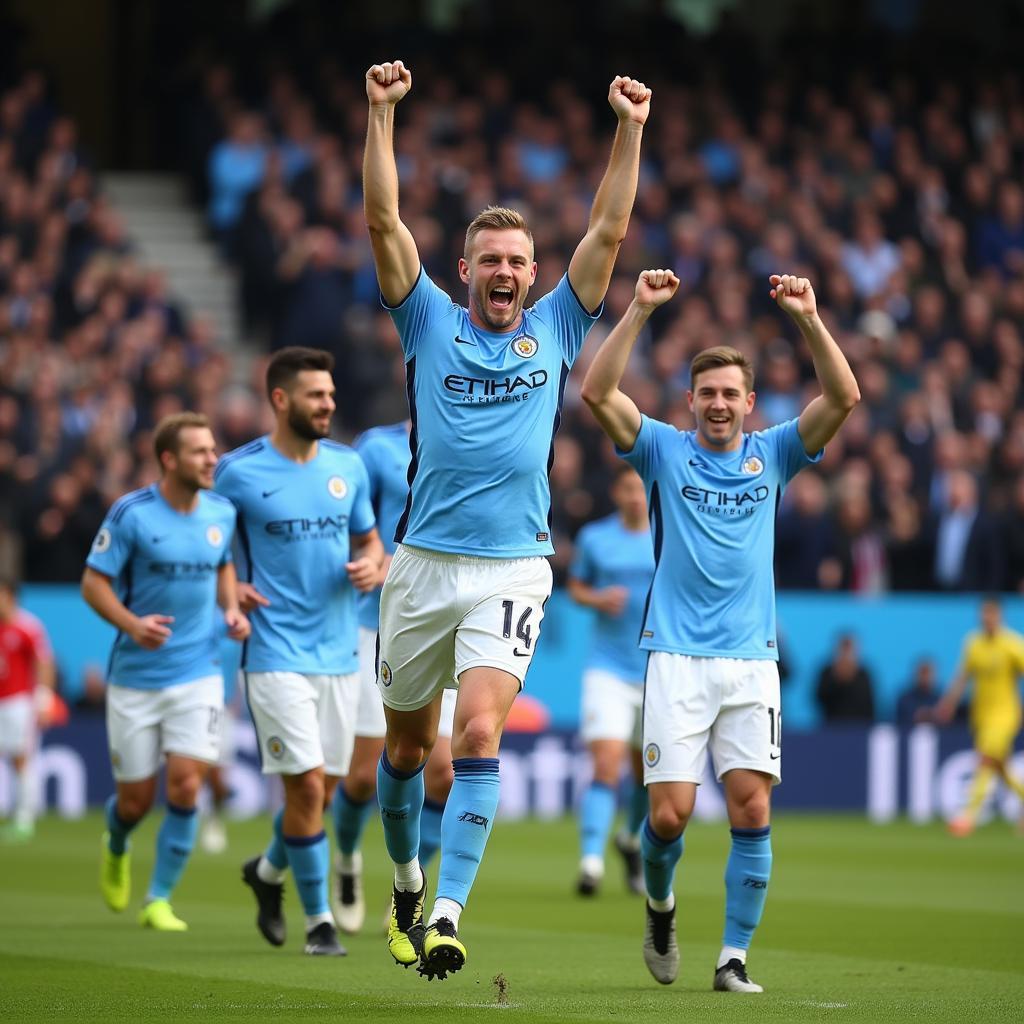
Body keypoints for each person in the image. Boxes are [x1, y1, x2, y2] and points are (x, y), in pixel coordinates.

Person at [363, 58, 651, 979]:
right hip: (420, 565)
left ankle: (446, 913)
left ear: (534, 273)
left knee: (477, 736)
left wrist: (629, 127)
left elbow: (608, 225)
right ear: (465, 270)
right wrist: (380, 116)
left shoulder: (560, 327)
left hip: (514, 568)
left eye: (518, 261)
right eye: (489, 260)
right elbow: (381, 220)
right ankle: (406, 880)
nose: (505, 272)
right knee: (408, 749)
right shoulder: (428, 323)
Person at [581, 269, 859, 993]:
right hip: (673, 656)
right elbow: (598, 394)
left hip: (750, 661)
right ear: (691, 400)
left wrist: (808, 319)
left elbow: (844, 397)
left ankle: (732, 957)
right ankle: (661, 904)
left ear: (749, 403)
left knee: (752, 805)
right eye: (707, 392)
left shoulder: (776, 454)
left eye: (731, 393)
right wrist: (639, 309)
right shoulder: (664, 451)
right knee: (669, 818)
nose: (719, 404)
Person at [214, 346, 384, 957]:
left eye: (331, 394)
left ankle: (266, 871)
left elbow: (372, 543)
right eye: (317, 395)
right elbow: (207, 542)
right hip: (273, 652)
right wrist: (229, 591)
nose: (329, 404)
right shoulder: (237, 473)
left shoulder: (348, 468)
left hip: (340, 654)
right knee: (308, 788)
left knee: (323, 792)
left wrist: (372, 565)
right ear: (281, 400)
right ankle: (319, 924)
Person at [81, 412, 250, 931]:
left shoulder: (221, 511)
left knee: (184, 786)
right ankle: (116, 841)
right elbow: (93, 584)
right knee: (134, 801)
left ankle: (158, 899)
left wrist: (230, 608)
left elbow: (222, 562)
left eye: (212, 447)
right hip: (135, 678)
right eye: (200, 451)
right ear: (169, 459)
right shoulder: (131, 514)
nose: (212, 458)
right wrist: (132, 624)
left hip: (198, 672)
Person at [329, 419, 457, 934]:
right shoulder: (377, 448)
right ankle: (346, 860)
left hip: (448, 614)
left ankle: (410, 880)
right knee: (362, 776)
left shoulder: (474, 428)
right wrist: (371, 560)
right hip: (375, 620)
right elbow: (346, 522)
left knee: (443, 771)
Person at [567, 465, 653, 896]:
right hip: (608, 668)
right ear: (617, 493)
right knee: (605, 763)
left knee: (643, 776)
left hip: (657, 671)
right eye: (628, 488)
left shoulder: (670, 534)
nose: (636, 496)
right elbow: (576, 587)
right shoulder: (596, 538)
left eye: (642, 488)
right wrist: (598, 597)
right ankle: (591, 862)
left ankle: (631, 839)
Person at [934, 597, 1024, 836]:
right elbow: (963, 677)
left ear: (1000, 616)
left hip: (1005, 714)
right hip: (981, 715)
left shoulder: (1013, 644)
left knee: (985, 759)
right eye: (985, 615)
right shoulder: (973, 644)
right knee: (999, 766)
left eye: (992, 615)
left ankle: (968, 816)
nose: (988, 619)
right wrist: (948, 704)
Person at [0, 578, 56, 842]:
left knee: (20, 758)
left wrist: (44, 699)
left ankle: (24, 818)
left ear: (11, 596)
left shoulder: (27, 626)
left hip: (17, 702)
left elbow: (44, 662)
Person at [815, 633, 876, 723]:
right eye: (843, 648)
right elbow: (820, 698)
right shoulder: (827, 672)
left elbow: (869, 703)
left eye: (849, 649)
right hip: (832, 725)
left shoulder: (863, 673)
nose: (846, 653)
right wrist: (837, 679)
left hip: (859, 726)